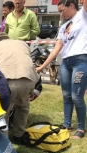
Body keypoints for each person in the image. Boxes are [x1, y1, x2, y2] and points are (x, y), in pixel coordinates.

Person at [36, 0, 87, 139]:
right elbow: (56, 49)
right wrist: (42, 66)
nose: (61, 13)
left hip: (81, 61)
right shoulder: (64, 26)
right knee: (66, 95)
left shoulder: (83, 15)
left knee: (77, 96)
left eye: (61, 10)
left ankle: (81, 128)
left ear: (71, 6)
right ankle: (67, 125)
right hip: (66, 62)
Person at [0, 32, 40, 143]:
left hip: (7, 83)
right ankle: (18, 136)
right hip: (28, 80)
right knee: (23, 107)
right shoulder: (22, 43)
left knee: (2, 113)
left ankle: (3, 141)